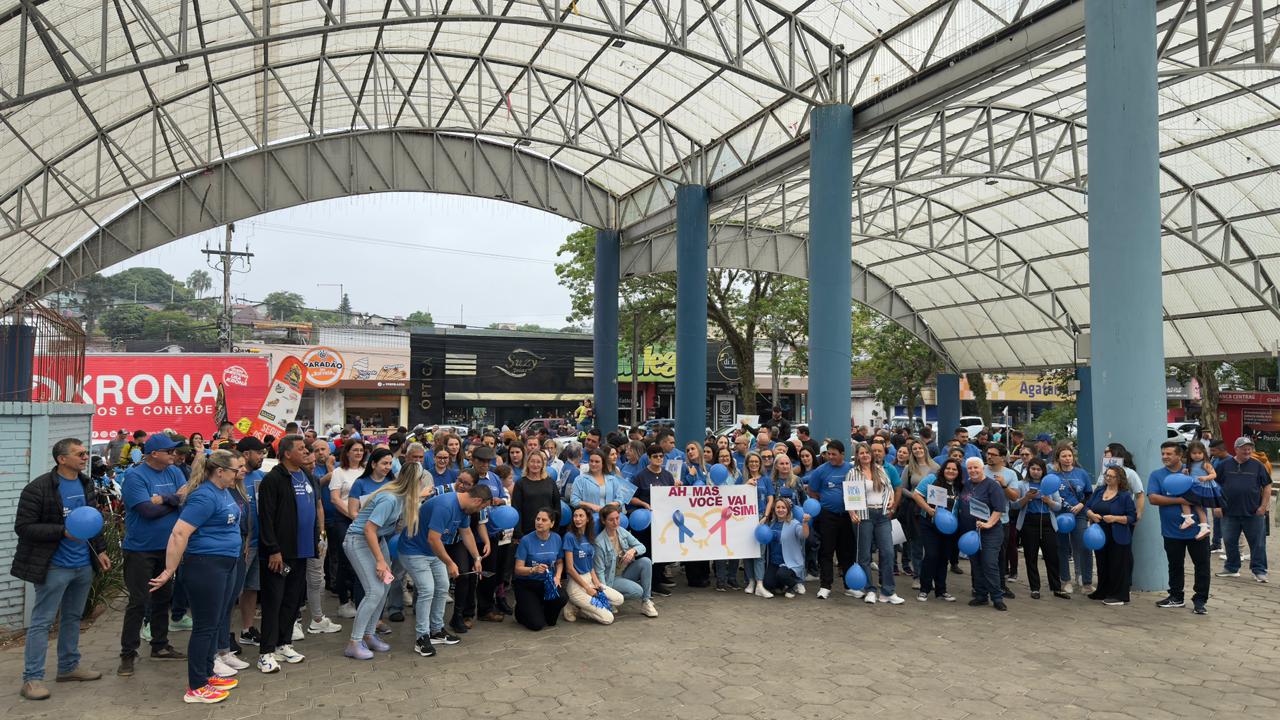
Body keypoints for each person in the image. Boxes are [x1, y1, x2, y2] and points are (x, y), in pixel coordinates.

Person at [13, 438, 110, 700]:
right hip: (54, 566)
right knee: (42, 622)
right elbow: (23, 527)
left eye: (86, 453)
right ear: (62, 459)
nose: (85, 457)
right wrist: (63, 532)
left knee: (72, 618)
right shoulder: (39, 488)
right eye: (79, 454)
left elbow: (91, 521)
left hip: (82, 565)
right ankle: (31, 679)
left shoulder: (86, 483)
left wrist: (99, 550)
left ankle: (68, 667)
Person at [147, 450, 244, 704]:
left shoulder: (222, 492)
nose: (239, 474)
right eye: (235, 470)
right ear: (220, 471)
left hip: (226, 563)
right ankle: (197, 687)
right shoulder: (203, 496)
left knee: (215, 621)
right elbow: (179, 533)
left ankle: (207, 673)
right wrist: (169, 570)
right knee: (204, 626)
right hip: (205, 565)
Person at [117, 433, 187, 677]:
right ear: (154, 454)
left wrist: (163, 499)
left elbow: (185, 497)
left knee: (163, 598)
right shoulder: (135, 476)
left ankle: (160, 645)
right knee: (138, 601)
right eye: (169, 451)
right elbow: (146, 510)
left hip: (167, 547)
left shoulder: (175, 472)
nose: (174, 455)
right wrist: (173, 501)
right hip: (140, 548)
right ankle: (128, 654)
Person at [399, 482, 491, 657]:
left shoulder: (464, 509)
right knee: (427, 590)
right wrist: (450, 562)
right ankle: (421, 637)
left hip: (431, 552)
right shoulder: (446, 506)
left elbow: (467, 533)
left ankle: (436, 630)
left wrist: (477, 557)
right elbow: (433, 539)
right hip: (414, 550)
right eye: (483, 507)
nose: (480, 512)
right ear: (477, 500)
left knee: (442, 587)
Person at [342, 463, 423, 658]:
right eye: (420, 481)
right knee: (374, 591)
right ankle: (354, 642)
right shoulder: (390, 498)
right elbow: (369, 529)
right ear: (415, 481)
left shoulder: (403, 498)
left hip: (377, 541)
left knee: (385, 586)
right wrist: (380, 561)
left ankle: (369, 635)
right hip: (359, 541)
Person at [254, 435, 319, 672]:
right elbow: (267, 517)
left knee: (292, 601)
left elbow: (312, 509)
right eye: (301, 449)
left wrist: (316, 539)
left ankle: (284, 643)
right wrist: (273, 549)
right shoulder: (274, 479)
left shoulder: (308, 476)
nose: (306, 452)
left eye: (306, 448)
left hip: (301, 552)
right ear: (286, 453)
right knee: (274, 601)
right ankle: (265, 652)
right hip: (280, 554)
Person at [1148, 441, 1212, 614]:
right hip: (1172, 531)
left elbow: (1207, 492)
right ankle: (1176, 597)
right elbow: (1153, 498)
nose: (1165, 457)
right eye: (1163, 454)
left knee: (1202, 566)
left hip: (1198, 530)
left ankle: (1200, 601)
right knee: (1175, 565)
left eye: (1169, 454)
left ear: (1179, 456)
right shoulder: (1157, 475)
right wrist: (1180, 500)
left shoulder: (1193, 470)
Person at [846, 443, 903, 605]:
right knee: (864, 555)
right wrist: (852, 513)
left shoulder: (880, 469)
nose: (864, 455)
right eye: (861, 453)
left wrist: (891, 499)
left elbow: (890, 488)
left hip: (882, 515)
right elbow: (850, 495)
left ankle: (888, 592)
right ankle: (869, 590)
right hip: (864, 516)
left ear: (871, 454)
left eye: (867, 452)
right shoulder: (853, 473)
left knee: (888, 553)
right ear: (857, 456)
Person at [1215, 436, 1271, 583]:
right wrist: (1216, 505)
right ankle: (1232, 568)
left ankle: (1259, 571)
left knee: (1258, 543)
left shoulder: (1258, 465)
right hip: (1228, 512)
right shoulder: (1224, 465)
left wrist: (1263, 506)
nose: (1247, 450)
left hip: (1253, 512)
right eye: (1244, 448)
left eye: (1249, 448)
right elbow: (1214, 485)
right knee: (1229, 541)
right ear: (1236, 449)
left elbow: (1267, 486)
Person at [806, 440, 856, 599]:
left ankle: (850, 586)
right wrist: (823, 502)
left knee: (847, 552)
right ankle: (825, 585)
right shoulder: (820, 471)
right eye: (829, 454)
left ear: (843, 454)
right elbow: (812, 491)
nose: (831, 457)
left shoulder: (851, 469)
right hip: (827, 516)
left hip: (848, 516)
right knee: (826, 551)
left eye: (835, 454)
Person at [958, 457, 1008, 610]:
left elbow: (999, 509)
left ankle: (997, 597)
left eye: (976, 468)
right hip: (971, 532)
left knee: (989, 563)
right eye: (970, 468)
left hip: (990, 532)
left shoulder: (993, 486)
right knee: (976, 563)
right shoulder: (966, 485)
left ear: (982, 468)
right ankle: (981, 595)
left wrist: (988, 524)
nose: (973, 470)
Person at [1015, 459, 1067, 600]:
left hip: (1047, 524)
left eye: (1039, 469)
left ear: (1043, 470)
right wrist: (1026, 498)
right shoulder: (1021, 485)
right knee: (1030, 557)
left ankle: (1056, 587)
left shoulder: (1050, 484)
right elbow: (1015, 505)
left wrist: (1048, 501)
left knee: (1052, 556)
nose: (1036, 472)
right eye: (1033, 469)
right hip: (1029, 523)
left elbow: (1058, 506)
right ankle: (1035, 588)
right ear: (1028, 470)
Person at [912, 458, 963, 602]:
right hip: (929, 524)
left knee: (944, 558)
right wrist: (928, 509)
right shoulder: (932, 478)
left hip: (949, 527)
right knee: (931, 555)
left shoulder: (959, 486)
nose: (951, 471)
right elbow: (917, 494)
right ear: (943, 469)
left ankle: (941, 590)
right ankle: (924, 589)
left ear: (958, 472)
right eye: (948, 468)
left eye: (954, 469)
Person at [593, 505, 659, 617]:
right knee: (638, 591)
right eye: (611, 520)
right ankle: (611, 600)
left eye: (617, 518)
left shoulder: (622, 531)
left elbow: (642, 547)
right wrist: (606, 594)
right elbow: (599, 571)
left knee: (646, 561)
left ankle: (646, 602)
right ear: (604, 521)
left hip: (625, 572)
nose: (615, 522)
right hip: (611, 579)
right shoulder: (599, 542)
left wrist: (633, 550)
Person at [1085, 466, 1137, 605]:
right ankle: (1102, 590)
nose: (1108, 478)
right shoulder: (1099, 490)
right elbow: (1088, 506)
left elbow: (1132, 517)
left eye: (1112, 476)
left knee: (1117, 564)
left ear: (1119, 479)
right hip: (1099, 533)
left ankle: (1118, 595)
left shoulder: (1124, 495)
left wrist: (1115, 518)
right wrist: (1090, 514)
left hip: (1117, 534)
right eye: (1106, 475)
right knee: (1102, 563)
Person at [327, 439, 365, 619]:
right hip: (343, 519)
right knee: (345, 560)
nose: (358, 453)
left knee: (362, 561)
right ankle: (344, 601)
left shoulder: (366, 472)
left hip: (363, 519)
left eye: (361, 450)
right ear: (347, 452)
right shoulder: (339, 472)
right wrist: (352, 514)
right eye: (355, 450)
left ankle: (359, 599)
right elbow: (335, 499)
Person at [512, 509, 569, 631]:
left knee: (560, 603)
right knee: (537, 625)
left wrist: (558, 576)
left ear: (552, 524)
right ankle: (521, 610)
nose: (539, 522)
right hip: (527, 584)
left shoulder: (557, 538)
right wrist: (533, 569)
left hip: (547, 583)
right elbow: (517, 569)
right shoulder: (526, 540)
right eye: (538, 519)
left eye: (544, 520)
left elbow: (559, 562)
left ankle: (539, 607)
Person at [235, 437, 267, 647]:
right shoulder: (234, 477)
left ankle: (247, 630)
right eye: (259, 453)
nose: (262, 457)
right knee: (232, 590)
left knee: (251, 588)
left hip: (259, 541)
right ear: (246, 454)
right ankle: (225, 635)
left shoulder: (262, 477)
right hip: (239, 543)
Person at [1053, 445, 1093, 595]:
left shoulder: (1081, 473)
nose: (1067, 459)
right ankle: (1065, 580)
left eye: (1069, 456)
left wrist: (1081, 504)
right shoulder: (1053, 475)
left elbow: (1089, 494)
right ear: (1058, 458)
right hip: (1060, 515)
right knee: (1062, 548)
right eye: (1064, 456)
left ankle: (1086, 581)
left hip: (1079, 514)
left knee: (1084, 546)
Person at [741, 452, 776, 598]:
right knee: (748, 553)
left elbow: (770, 499)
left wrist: (766, 516)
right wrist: (745, 485)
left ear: (760, 464)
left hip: (761, 519)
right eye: (751, 462)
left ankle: (760, 584)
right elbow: (736, 497)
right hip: (745, 520)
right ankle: (751, 581)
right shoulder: (742, 479)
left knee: (760, 553)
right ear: (747, 464)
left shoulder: (766, 480)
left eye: (756, 461)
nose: (754, 464)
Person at [760, 498, 810, 598]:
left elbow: (804, 535)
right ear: (774, 510)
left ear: (788, 510)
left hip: (789, 563)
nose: (780, 510)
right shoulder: (771, 524)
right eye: (778, 507)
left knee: (782, 574)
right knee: (768, 584)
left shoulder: (794, 523)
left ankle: (794, 584)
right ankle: (783, 584)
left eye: (783, 507)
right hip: (774, 562)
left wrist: (805, 523)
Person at [510, 451, 560, 540]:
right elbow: (516, 508)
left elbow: (557, 507)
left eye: (538, 462)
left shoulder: (550, 482)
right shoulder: (520, 483)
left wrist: (555, 528)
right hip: (527, 531)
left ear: (542, 465)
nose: (535, 465)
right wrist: (518, 533)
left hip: (548, 530)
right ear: (528, 463)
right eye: (532, 461)